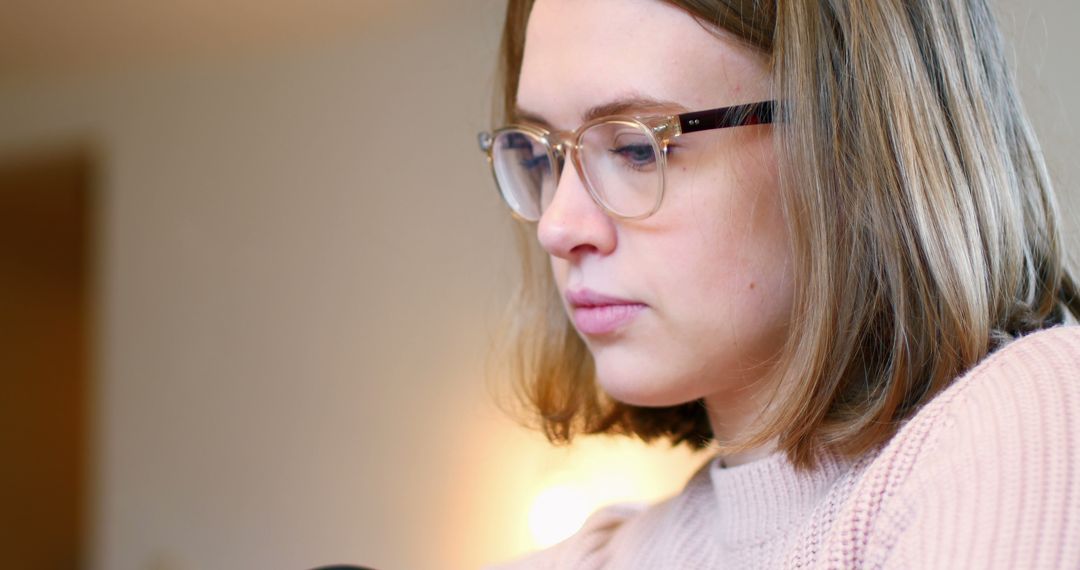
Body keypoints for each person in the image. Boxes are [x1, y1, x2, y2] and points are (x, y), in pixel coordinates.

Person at [476, 0, 1080, 567]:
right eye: (541, 157)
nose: (557, 226)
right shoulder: (599, 554)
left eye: (636, 149)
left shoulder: (1033, 420)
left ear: (855, 146)